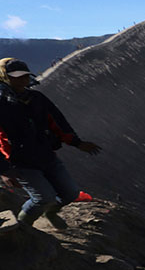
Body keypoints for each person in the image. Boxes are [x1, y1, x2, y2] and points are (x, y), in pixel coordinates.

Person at [0, 58, 101, 229]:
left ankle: (50, 213)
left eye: (25, 76)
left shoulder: (36, 98)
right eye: (16, 77)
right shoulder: (1, 104)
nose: (23, 80)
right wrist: (4, 171)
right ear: (4, 77)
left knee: (70, 193)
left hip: (46, 156)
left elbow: (57, 122)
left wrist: (76, 142)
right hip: (20, 163)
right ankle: (24, 228)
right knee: (43, 197)